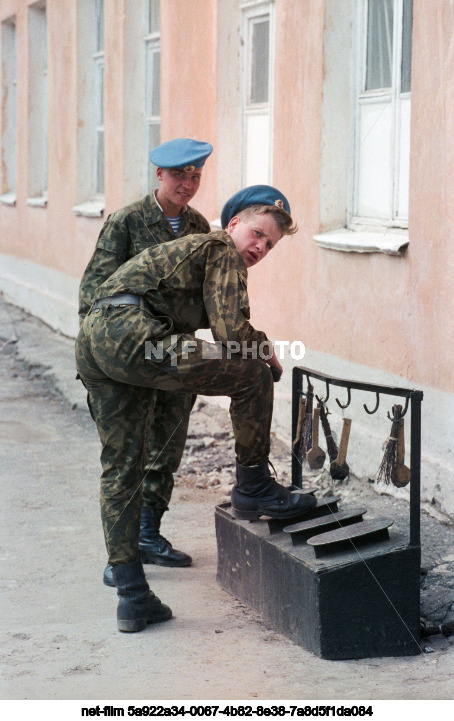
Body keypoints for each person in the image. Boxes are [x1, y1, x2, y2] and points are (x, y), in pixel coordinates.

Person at [75, 184, 317, 633]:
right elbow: (230, 332)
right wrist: (262, 347)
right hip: (132, 333)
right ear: (233, 224)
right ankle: (254, 485)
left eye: (270, 244)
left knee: (121, 464)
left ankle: (131, 595)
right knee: (253, 373)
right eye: (258, 233)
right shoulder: (219, 248)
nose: (260, 247)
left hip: (95, 342)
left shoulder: (198, 251)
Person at [78, 139, 213, 584]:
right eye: (180, 175)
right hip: (126, 353)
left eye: (196, 176)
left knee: (167, 447)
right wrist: (92, 357)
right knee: (125, 457)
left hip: (174, 357)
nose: (188, 184)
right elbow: (94, 291)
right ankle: (121, 558)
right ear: (159, 175)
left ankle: (149, 535)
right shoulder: (127, 221)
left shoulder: (197, 225)